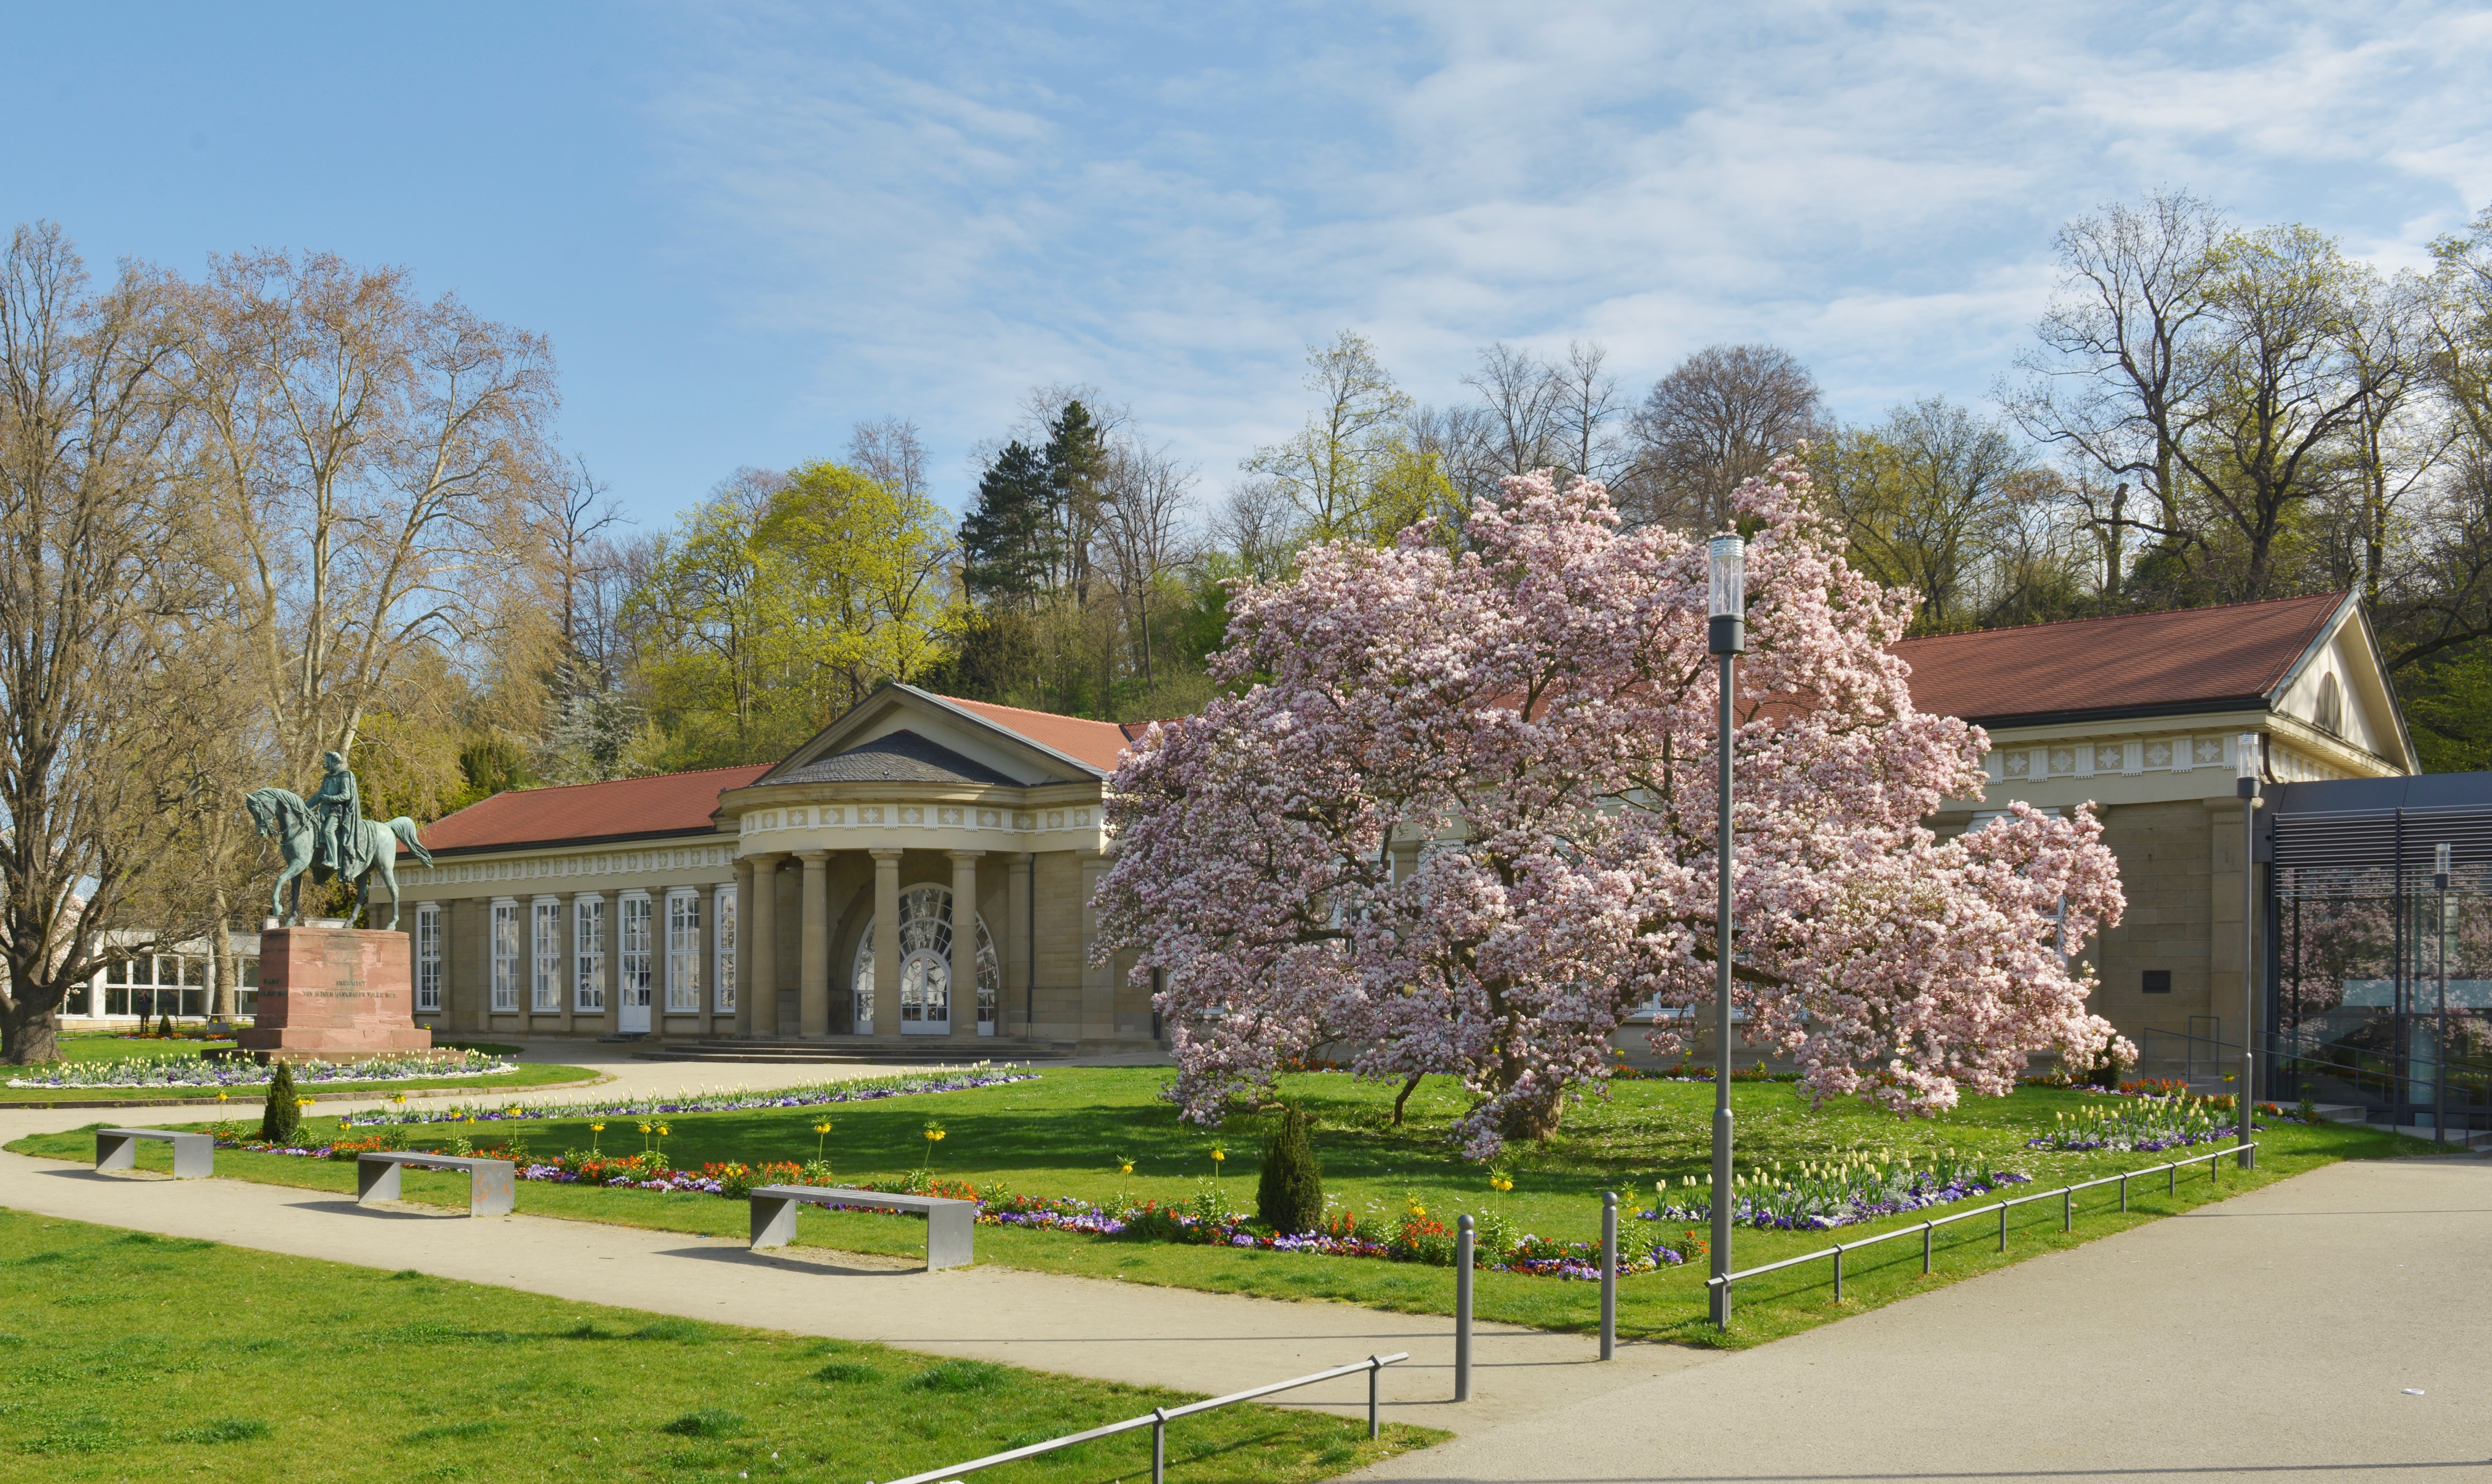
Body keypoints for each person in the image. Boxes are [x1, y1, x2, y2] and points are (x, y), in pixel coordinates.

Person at [307, 751, 368, 885]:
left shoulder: (345, 775)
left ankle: (333, 861)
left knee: (328, 831)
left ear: (335, 762)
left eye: (328, 763)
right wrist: (304, 808)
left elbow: (346, 795)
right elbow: (319, 795)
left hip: (339, 812)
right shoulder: (327, 778)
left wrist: (330, 799)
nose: (326, 765)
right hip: (325, 811)